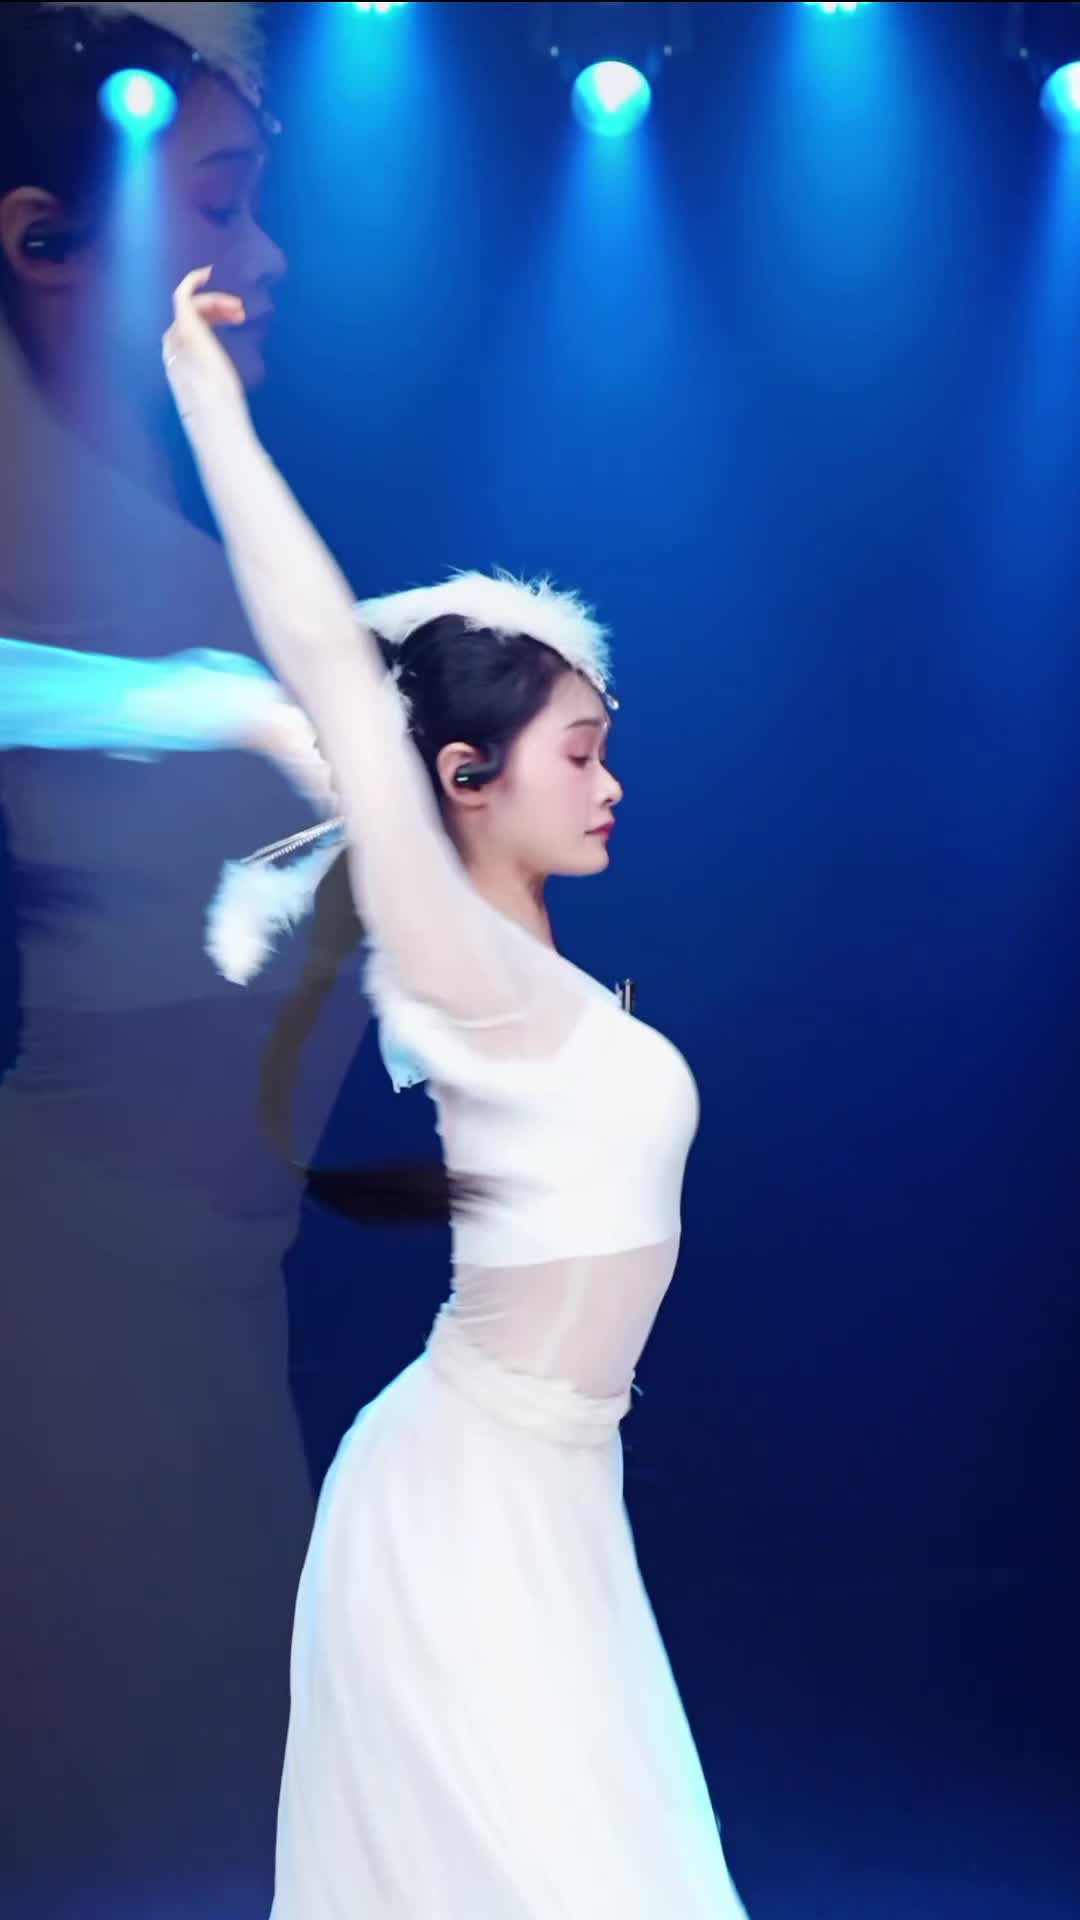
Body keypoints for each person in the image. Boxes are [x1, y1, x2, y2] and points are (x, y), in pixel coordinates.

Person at [163, 267, 751, 1919]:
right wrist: (209, 402)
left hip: (556, 1502)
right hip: (461, 1509)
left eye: (606, 741)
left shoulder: (534, 973)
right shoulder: (456, 961)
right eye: (582, 748)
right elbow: (330, 664)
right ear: (462, 777)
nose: (613, 779)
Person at [0, 7, 340, 1905]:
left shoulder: (149, 504)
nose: (269, 253)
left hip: (213, 1306)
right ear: (44, 239)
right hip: (66, 1318)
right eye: (222, 203)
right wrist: (204, 707)